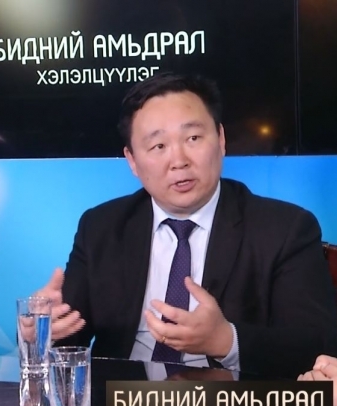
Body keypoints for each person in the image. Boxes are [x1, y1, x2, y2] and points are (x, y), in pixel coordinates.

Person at [36, 72, 337, 379]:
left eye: (193, 138)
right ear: (132, 161)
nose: (178, 160)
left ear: (220, 139)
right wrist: (43, 331)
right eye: (158, 146)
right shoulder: (101, 227)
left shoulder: (285, 229)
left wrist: (227, 340)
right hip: (123, 395)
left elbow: (316, 346)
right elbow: (68, 341)